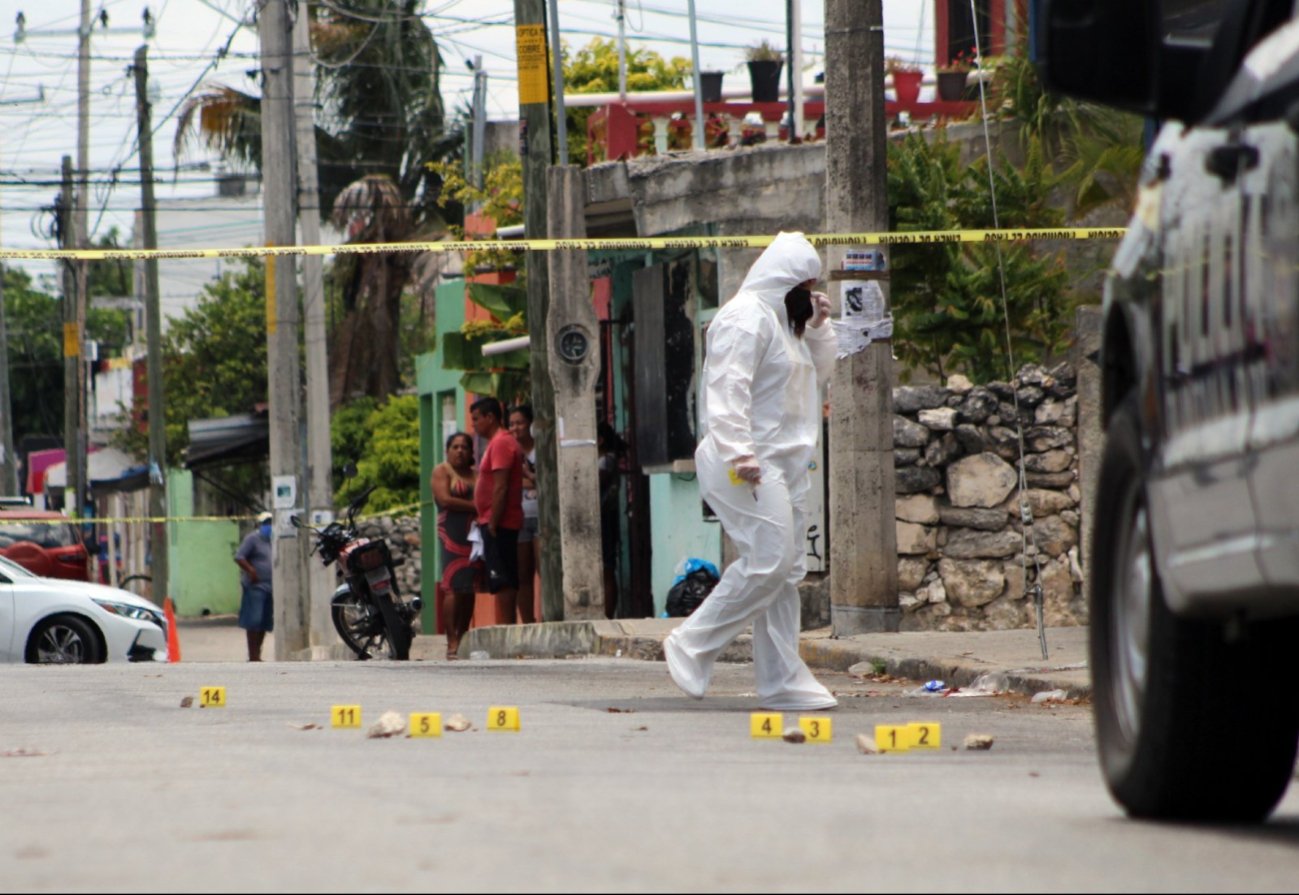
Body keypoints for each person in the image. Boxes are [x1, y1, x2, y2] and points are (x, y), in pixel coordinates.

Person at [662, 231, 839, 711]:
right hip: (744, 461)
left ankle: (782, 680)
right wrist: (740, 452)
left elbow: (817, 374)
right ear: (783, 282)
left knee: (785, 573)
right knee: (771, 560)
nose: (811, 294)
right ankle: (693, 641)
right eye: (804, 287)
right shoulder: (744, 318)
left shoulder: (786, 325)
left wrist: (820, 327)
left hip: (785, 462)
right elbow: (727, 388)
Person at [470, 397, 525, 625]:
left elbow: (501, 486)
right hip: (494, 521)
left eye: (476, 419)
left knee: (502, 577)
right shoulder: (497, 442)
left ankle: (506, 628)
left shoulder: (501, 443)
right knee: (500, 576)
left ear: (490, 417)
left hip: (500, 523)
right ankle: (506, 627)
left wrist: (493, 522)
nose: (474, 425)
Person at [432, 431, 480, 660]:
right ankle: (451, 640)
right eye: (456, 447)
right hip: (451, 534)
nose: (460, 451)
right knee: (452, 586)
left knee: (469, 587)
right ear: (448, 450)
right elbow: (444, 500)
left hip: (474, 536)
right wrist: (476, 508)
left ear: (471, 452)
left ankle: (463, 635)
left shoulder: (475, 474)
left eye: (465, 447)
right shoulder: (442, 471)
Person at [507, 404, 539, 624]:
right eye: (511, 424)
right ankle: (527, 621)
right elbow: (506, 484)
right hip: (518, 518)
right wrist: (530, 480)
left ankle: (550, 617)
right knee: (522, 576)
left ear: (530, 424)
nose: (515, 428)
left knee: (545, 571)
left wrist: (527, 476)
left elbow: (545, 479)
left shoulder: (542, 449)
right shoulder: (509, 450)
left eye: (519, 422)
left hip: (542, 517)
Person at [234, 511, 274, 662]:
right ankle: (252, 656)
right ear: (259, 525)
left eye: (271, 523)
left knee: (264, 622)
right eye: (266, 523)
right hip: (255, 586)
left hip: (269, 586)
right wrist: (251, 570)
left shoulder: (272, 541)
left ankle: (258, 655)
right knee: (254, 620)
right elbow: (239, 557)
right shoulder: (253, 539)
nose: (269, 526)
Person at [597, 421, 624, 619]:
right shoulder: (603, 459)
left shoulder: (606, 461)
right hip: (604, 517)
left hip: (605, 518)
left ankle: (608, 613)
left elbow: (593, 483)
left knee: (606, 567)